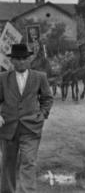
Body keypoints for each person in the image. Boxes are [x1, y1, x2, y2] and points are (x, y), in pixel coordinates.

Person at [0, 44, 53, 192]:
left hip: (31, 128)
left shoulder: (39, 77)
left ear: (29, 59)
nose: (22, 61)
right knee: (7, 164)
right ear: (12, 61)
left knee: (28, 162)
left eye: (24, 58)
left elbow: (47, 98)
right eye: (18, 59)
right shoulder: (3, 78)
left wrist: (42, 115)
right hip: (8, 129)